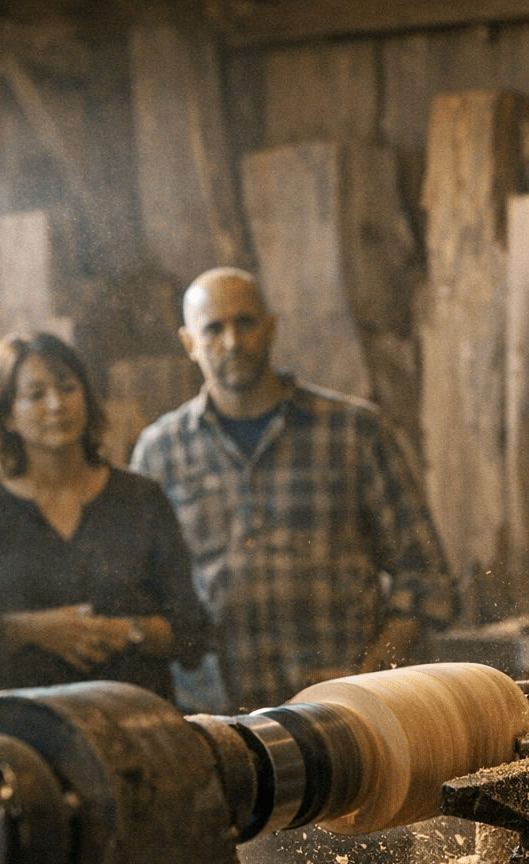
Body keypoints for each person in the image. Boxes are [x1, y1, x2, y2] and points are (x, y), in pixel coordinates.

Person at [130, 268, 456, 712]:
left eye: (245, 322)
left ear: (271, 327)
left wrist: (373, 672)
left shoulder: (354, 431)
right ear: (189, 343)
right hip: (214, 717)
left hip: (341, 708)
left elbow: (426, 577)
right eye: (214, 328)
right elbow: (144, 596)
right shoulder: (159, 451)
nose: (232, 342)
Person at [0, 332, 210, 700]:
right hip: (23, 733)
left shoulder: (141, 497)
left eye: (67, 388)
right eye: (35, 395)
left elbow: (193, 634)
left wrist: (128, 632)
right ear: (7, 415)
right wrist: (33, 630)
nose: (57, 404)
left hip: (138, 724)